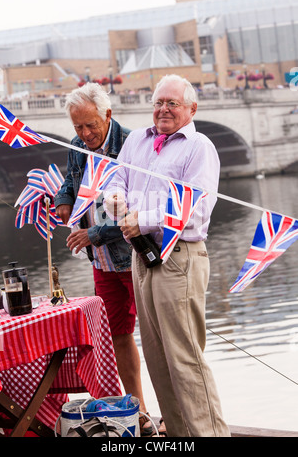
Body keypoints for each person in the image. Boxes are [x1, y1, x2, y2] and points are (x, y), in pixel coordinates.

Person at [104, 74, 230, 437]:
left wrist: (140, 219)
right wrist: (114, 201)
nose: (163, 109)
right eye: (159, 102)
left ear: (191, 109)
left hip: (181, 257)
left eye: (172, 103)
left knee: (185, 357)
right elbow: (116, 181)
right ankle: (178, 435)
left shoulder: (199, 147)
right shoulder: (136, 142)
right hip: (141, 258)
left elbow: (195, 209)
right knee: (158, 359)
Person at [54, 82, 153, 436]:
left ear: (107, 115)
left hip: (134, 256)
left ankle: (174, 410)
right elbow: (71, 179)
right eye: (77, 127)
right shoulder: (78, 146)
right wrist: (64, 198)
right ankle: (139, 411)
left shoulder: (133, 144)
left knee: (157, 336)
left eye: (90, 125)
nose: (84, 134)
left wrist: (92, 234)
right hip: (102, 263)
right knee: (117, 335)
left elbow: (138, 207)